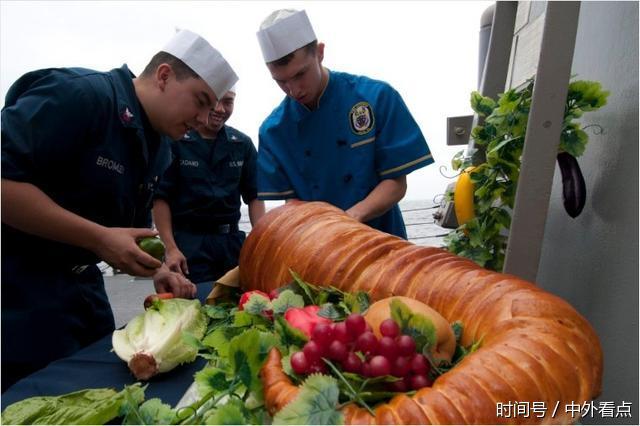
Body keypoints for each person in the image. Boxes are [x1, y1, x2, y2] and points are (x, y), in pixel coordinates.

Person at [0, 29, 238, 391]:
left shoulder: (161, 146)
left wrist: (159, 269)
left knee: (100, 391)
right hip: (19, 290)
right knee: (27, 400)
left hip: (83, 291)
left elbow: (127, 234)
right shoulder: (81, 96)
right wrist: (99, 238)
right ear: (163, 75)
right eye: (201, 100)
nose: (205, 118)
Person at [255, 9, 434, 239]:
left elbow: (396, 184)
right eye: (281, 81)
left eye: (300, 74)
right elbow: (293, 204)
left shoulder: (376, 98)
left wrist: (349, 219)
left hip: (382, 240)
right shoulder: (273, 131)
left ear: (319, 53)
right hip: (320, 246)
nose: (293, 89)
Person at [152, 88, 265, 284]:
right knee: (195, 305)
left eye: (228, 102)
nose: (221, 109)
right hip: (188, 245)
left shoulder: (242, 144)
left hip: (232, 244)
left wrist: (261, 243)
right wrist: (170, 248)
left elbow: (254, 196)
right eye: (217, 100)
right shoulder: (176, 141)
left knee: (238, 305)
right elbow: (160, 198)